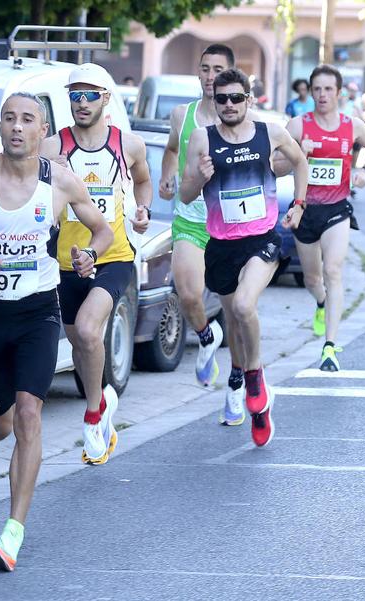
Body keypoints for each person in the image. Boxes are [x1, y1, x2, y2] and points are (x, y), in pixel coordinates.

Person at [0, 92, 113, 572]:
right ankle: (9, 440)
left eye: (27, 119)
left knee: (30, 414)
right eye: (9, 118)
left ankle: (12, 531)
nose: (16, 126)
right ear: (1, 129)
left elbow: (103, 231)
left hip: (38, 312)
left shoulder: (61, 183)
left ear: (42, 131)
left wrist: (88, 254)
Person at [180, 67, 309, 445]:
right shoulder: (202, 140)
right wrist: (198, 178)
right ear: (214, 101)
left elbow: (300, 162)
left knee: (243, 307)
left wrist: (299, 205)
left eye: (237, 98)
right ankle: (254, 398)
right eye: (222, 99)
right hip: (221, 245)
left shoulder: (271, 132)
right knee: (235, 325)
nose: (230, 105)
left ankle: (255, 376)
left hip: (262, 240)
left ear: (249, 100)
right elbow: (186, 195)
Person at [39, 63, 152, 465]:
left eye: (90, 95)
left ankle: (92, 417)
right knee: (79, 341)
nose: (81, 103)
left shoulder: (129, 144)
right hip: (66, 261)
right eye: (74, 95)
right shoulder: (52, 149)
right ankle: (102, 395)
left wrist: (144, 209)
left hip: (113, 256)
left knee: (89, 329)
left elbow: (142, 179)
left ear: (106, 98)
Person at [158, 44, 266, 419]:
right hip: (191, 217)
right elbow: (172, 150)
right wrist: (167, 176)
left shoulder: (245, 119)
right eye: (204, 68)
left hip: (233, 228)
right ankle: (206, 336)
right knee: (188, 295)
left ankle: (237, 380)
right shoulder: (181, 115)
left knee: (237, 313)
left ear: (230, 75)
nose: (208, 75)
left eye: (217, 69)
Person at [278, 64, 365, 372]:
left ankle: (329, 346)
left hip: (337, 208)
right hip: (305, 209)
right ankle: (321, 302)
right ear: (310, 93)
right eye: (317, 89)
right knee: (313, 279)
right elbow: (275, 166)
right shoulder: (298, 125)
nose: (322, 95)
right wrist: (298, 153)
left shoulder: (353, 126)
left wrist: (364, 171)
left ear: (338, 93)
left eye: (328, 89)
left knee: (334, 270)